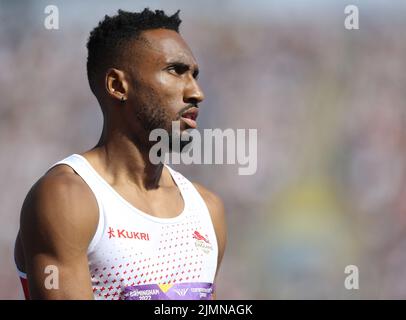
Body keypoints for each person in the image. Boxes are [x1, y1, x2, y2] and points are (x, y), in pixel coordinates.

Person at [14, 8, 227, 300]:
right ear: (117, 85)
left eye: (194, 75)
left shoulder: (207, 210)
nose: (196, 92)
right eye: (176, 71)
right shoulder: (68, 197)